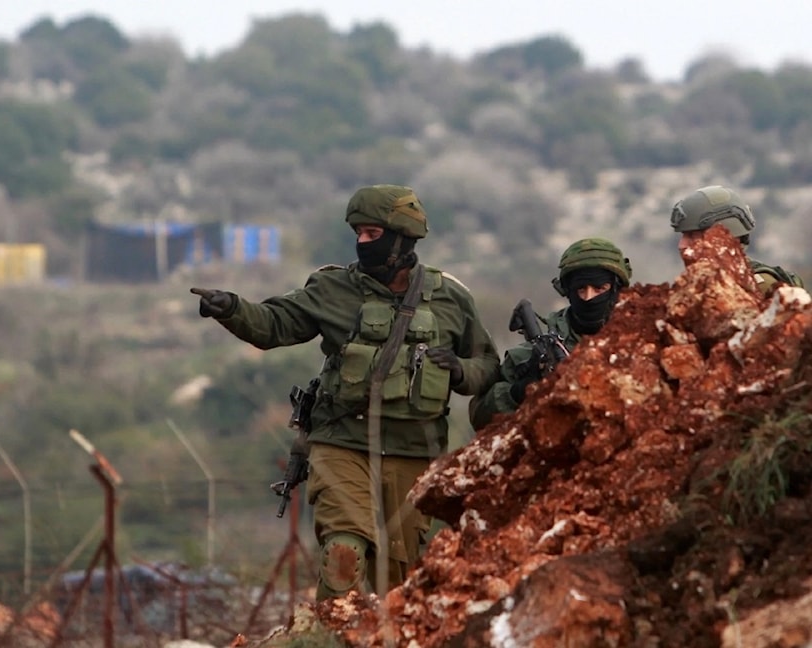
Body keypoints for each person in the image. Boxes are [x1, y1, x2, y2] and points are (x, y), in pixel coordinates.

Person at [190, 184, 500, 601]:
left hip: (414, 450)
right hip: (342, 441)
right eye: (358, 234)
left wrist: (460, 371)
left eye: (372, 235)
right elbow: (275, 324)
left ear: (401, 238)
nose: (361, 243)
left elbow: (488, 366)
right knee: (344, 551)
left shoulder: (450, 297)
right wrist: (232, 308)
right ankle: (332, 635)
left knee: (402, 579)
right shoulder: (333, 288)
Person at [469, 238, 632, 430]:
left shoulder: (639, 342)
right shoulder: (528, 355)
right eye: (581, 289)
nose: (589, 298)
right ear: (567, 291)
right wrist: (517, 392)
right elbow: (479, 417)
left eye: (599, 289)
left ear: (616, 289)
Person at [670, 184, 805, 294]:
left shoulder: (760, 288)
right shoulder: (693, 289)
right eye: (683, 235)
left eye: (692, 235)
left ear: (724, 235)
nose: (682, 245)